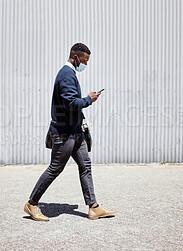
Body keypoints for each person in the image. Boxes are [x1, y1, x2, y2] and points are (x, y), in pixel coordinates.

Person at [24, 43, 116, 221]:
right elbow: (71, 103)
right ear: (75, 57)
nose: (86, 64)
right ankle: (32, 204)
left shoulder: (70, 73)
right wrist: (89, 99)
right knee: (55, 169)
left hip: (76, 133)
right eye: (84, 60)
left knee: (85, 166)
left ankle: (93, 207)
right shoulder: (66, 74)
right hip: (64, 133)